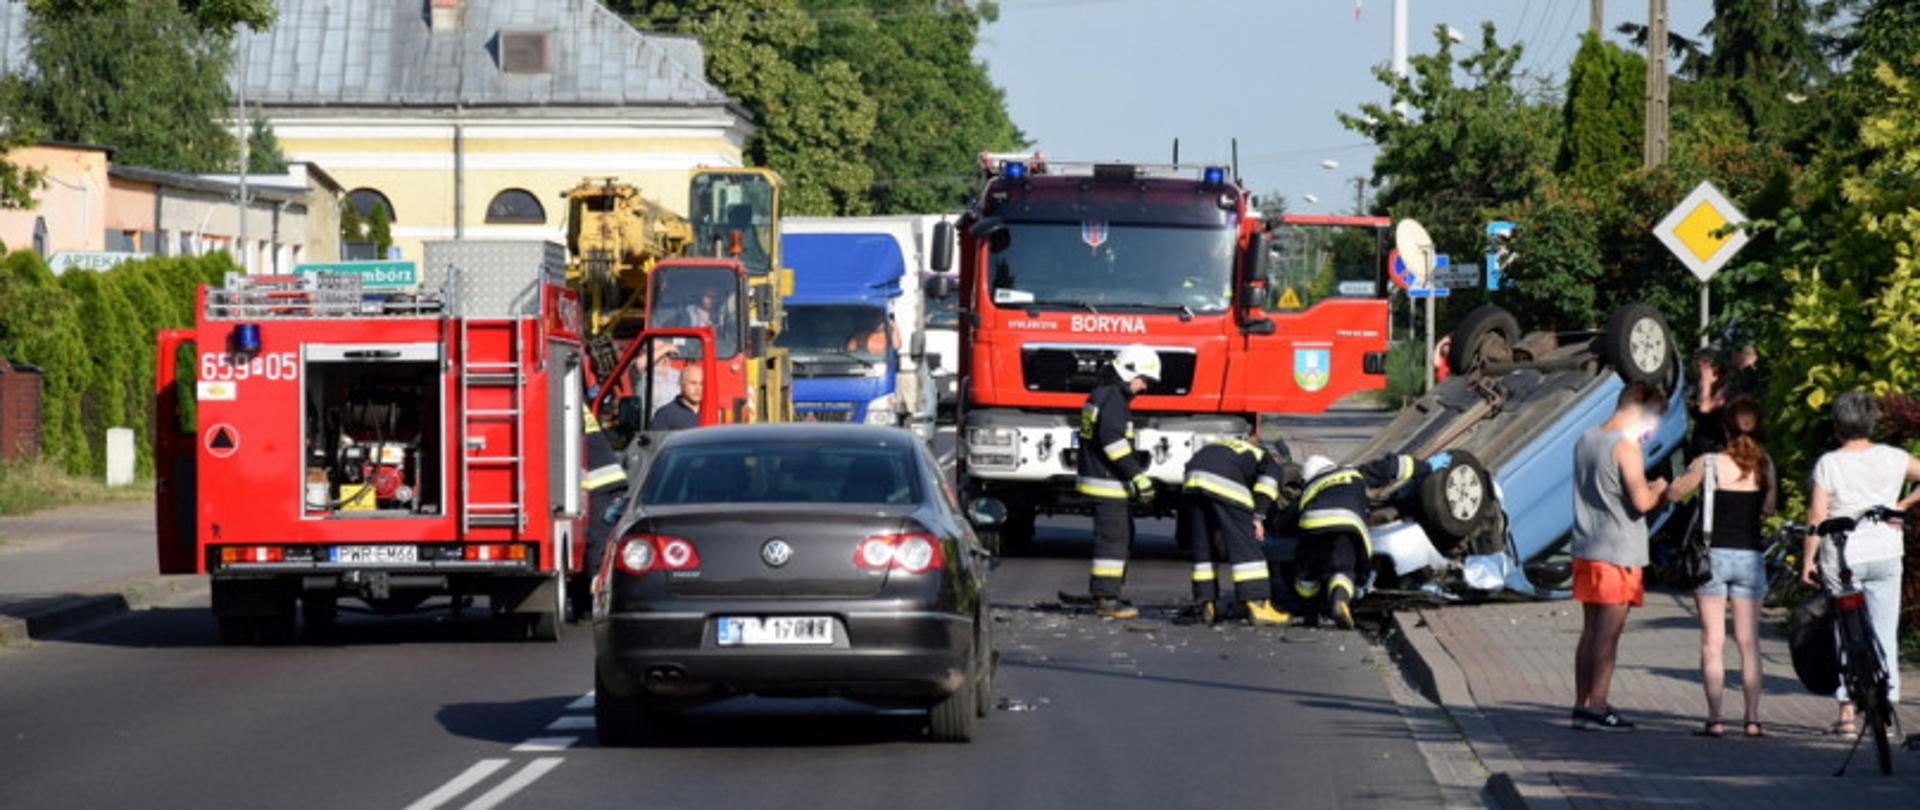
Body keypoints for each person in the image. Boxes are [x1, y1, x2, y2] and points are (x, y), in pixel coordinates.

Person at [1800, 391, 1920, 737]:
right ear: (1872, 423)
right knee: (1885, 632)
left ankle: (1847, 714)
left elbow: (1817, 515)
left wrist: (1808, 558)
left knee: (1845, 633)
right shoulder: (1894, 457)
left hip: (1843, 558)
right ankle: (1885, 713)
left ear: (1837, 426)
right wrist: (1902, 505)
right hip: (1885, 553)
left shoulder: (1829, 463)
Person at [1661, 396, 1775, 738]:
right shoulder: (1765, 464)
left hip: (1711, 557)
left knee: (1712, 641)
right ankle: (1752, 719)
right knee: (1748, 641)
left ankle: (1715, 719)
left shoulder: (1708, 463)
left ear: (1725, 427)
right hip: (1750, 558)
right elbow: (1769, 509)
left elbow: (1673, 495)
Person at [1570, 382, 1670, 733]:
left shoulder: (1585, 439)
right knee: (1608, 636)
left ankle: (1582, 703)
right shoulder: (1625, 446)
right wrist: (1659, 488)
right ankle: (1598, 707)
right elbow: (1641, 501)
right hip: (1619, 552)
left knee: (1589, 631)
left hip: (1586, 547)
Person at [1292, 449, 1438, 629]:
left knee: (1307, 573)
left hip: (1312, 524)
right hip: (1346, 522)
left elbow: (1287, 519)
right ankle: (1340, 601)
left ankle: (1310, 613)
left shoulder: (1310, 486)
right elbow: (1392, 466)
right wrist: (1425, 468)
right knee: (1343, 567)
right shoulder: (1352, 472)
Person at [1073, 344, 1161, 619]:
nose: (1144, 387)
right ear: (1129, 371)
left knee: (1121, 535)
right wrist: (1137, 475)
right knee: (1114, 540)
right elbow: (1113, 442)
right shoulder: (1113, 398)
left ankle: (1104, 590)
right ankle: (1106, 599)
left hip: (1099, 478)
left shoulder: (1101, 394)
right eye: (1143, 379)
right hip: (1107, 481)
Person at [1179, 437, 1297, 626]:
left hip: (1192, 480)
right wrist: (1258, 517)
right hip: (1224, 479)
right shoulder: (1269, 460)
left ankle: (1205, 603)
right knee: (1245, 543)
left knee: (1204, 544)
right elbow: (1267, 486)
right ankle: (1258, 603)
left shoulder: (1233, 446)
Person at [651, 363, 704, 431]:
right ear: (681, 385)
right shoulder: (665, 415)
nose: (698, 388)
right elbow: (657, 440)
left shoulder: (712, 412)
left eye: (702, 384)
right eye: (693, 383)